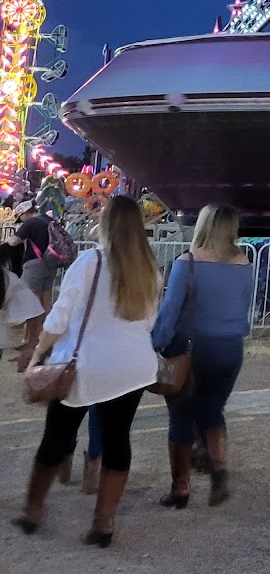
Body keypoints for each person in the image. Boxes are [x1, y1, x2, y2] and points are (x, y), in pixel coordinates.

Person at [12, 196, 162, 547]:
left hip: (86, 367)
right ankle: (104, 522)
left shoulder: (91, 260)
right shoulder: (150, 269)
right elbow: (150, 322)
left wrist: (38, 353)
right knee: (117, 440)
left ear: (107, 224)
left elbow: (60, 316)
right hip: (134, 367)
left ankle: (33, 510)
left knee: (57, 436)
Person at [151, 204, 253, 509]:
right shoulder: (243, 262)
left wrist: (154, 343)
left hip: (191, 347)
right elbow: (244, 305)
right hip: (230, 348)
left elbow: (169, 315)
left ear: (203, 225)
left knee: (180, 416)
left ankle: (180, 487)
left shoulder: (188, 263)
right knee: (212, 409)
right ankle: (218, 467)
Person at [13, 201, 55, 363]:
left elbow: (14, 241)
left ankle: (32, 342)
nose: (21, 221)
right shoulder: (47, 219)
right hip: (51, 263)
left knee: (30, 303)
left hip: (34, 265)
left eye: (20, 217)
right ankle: (47, 339)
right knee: (46, 303)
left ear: (25, 213)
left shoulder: (31, 223)